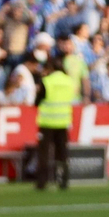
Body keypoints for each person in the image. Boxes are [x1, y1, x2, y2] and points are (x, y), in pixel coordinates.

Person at [35, 59, 78, 190]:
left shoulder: (47, 81)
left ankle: (42, 182)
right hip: (63, 122)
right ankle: (63, 181)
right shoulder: (69, 81)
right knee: (62, 153)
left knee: (44, 153)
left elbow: (37, 101)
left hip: (47, 122)